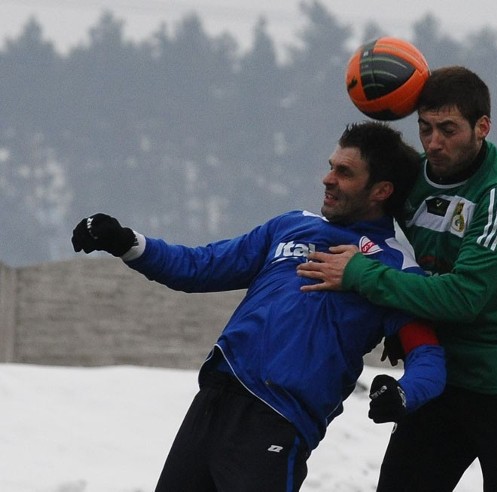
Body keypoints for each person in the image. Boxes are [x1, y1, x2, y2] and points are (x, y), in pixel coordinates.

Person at [71, 121, 446, 492]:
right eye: (331, 166)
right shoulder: (291, 225)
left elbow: (429, 358)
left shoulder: (396, 268)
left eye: (344, 172)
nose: (327, 179)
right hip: (213, 401)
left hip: (277, 418)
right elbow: (199, 266)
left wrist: (403, 394)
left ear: (381, 190)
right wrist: (125, 241)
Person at [297, 67, 497, 491]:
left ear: (482, 127)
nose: (434, 142)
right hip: (442, 379)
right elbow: (367, 216)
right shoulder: (412, 178)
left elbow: (462, 298)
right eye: (425, 128)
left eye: (448, 130)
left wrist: (363, 274)